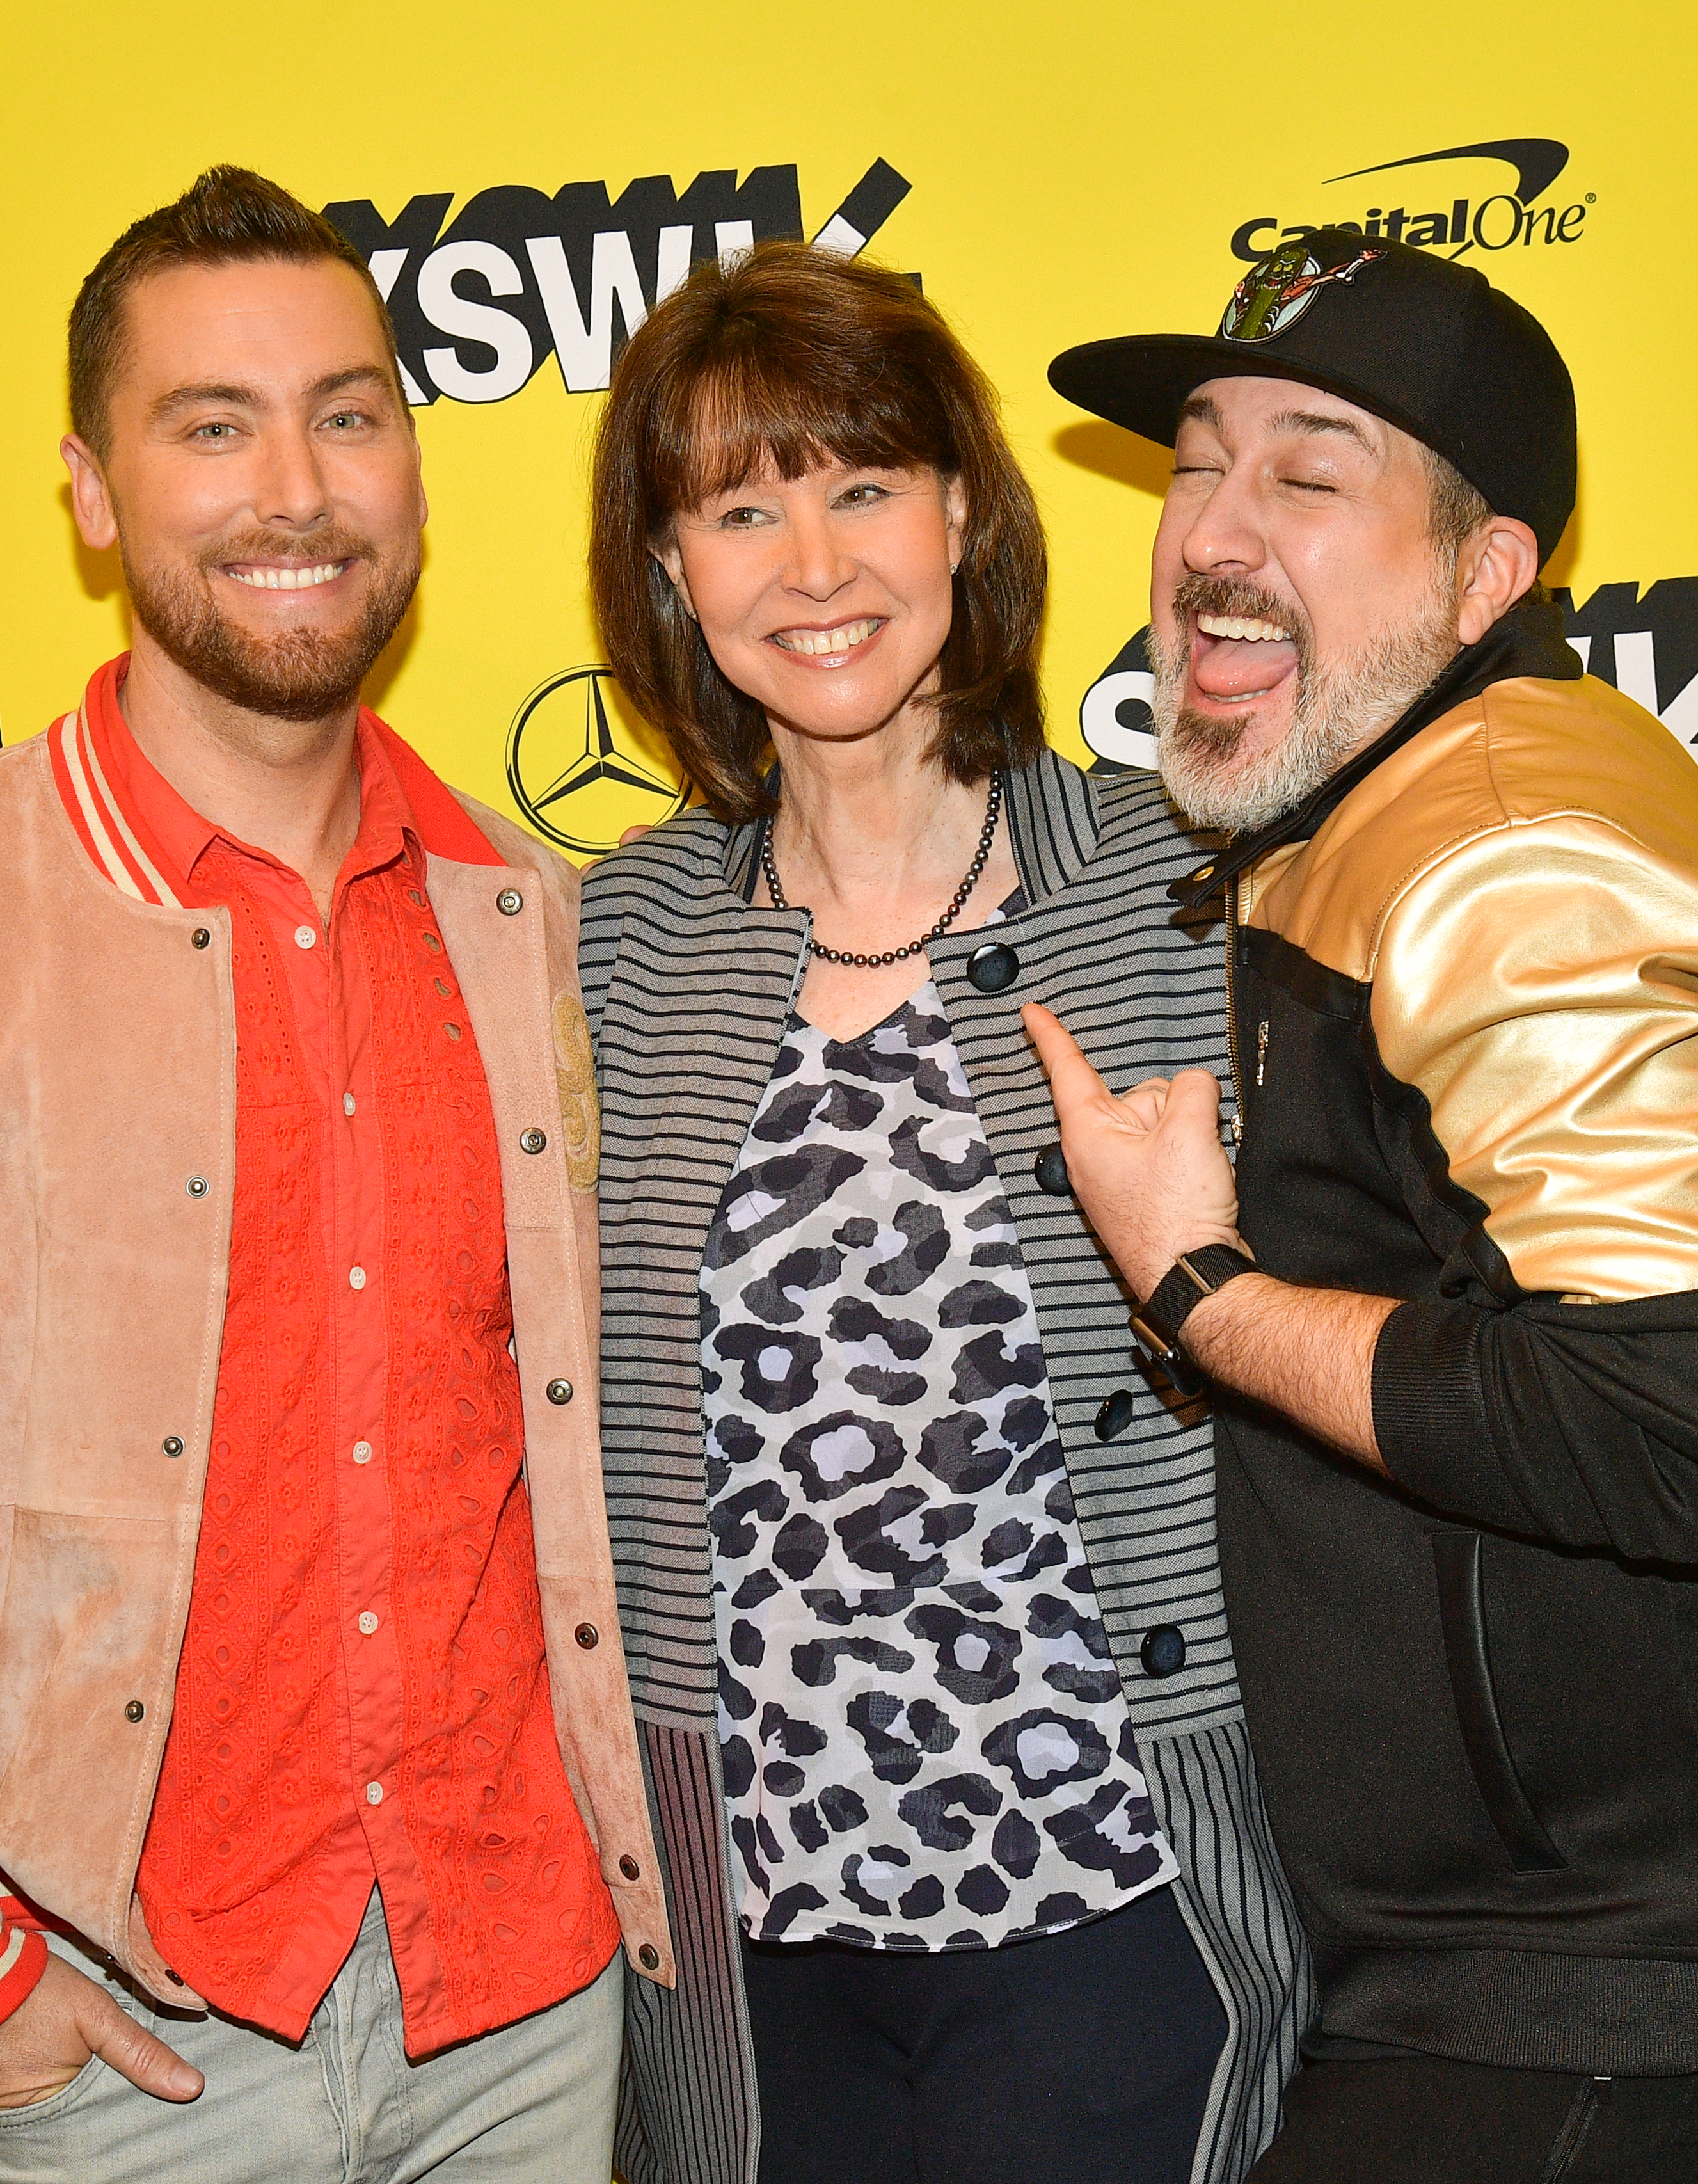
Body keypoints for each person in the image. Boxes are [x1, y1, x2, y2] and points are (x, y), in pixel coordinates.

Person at [0, 165, 668, 2183]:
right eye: (212, 426)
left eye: (348, 413)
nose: (296, 486)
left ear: (417, 468)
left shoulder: (534, 921)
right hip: (115, 2051)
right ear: (92, 493)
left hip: (529, 2017)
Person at [1021, 230, 1698, 2182]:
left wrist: (1201, 1286)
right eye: (1199, 460)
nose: (1215, 531)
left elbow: (1677, 1431)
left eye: (1311, 477)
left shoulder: (1503, 846)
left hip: (1669, 1989)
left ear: (1490, 576)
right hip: (1580, 1962)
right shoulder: (1373, 811)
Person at [576, 243, 1309, 2184]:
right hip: (748, 1946)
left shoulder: (1187, 892)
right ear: (671, 571)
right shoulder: (614, 948)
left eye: (862, 486)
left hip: (1109, 1898)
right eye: (740, 508)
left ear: (966, 509)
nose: (811, 566)